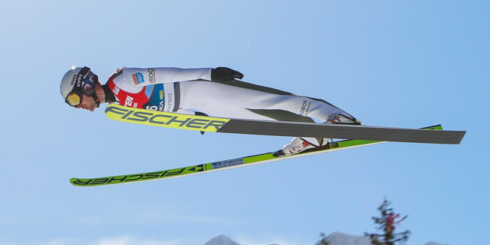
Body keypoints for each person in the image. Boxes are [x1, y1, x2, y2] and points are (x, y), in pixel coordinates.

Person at [59, 66, 360, 156]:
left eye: (76, 101)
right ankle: (311, 135)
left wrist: (210, 72)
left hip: (204, 88)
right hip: (201, 104)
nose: (81, 108)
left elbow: (165, 74)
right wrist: (196, 116)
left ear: (84, 85)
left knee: (272, 101)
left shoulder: (123, 81)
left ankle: (335, 117)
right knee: (264, 118)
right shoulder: (119, 106)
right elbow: (163, 105)